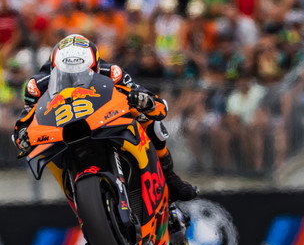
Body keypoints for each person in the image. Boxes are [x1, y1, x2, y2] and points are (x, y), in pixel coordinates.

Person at [12, 33, 198, 202]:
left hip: (103, 118)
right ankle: (77, 200)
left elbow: (155, 104)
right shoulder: (36, 85)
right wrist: (22, 135)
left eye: (82, 74)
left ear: (95, 66)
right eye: (67, 76)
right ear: (55, 69)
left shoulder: (112, 72)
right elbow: (26, 119)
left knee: (147, 118)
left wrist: (143, 100)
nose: (75, 81)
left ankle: (169, 176)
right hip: (63, 129)